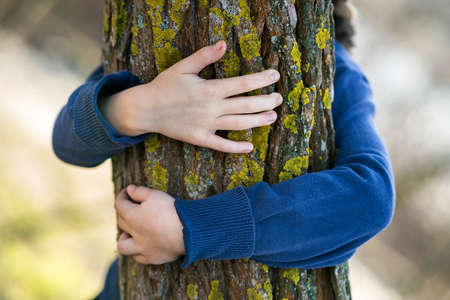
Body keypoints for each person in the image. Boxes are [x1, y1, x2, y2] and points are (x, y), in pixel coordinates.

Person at [52, 1, 395, 299]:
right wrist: (139, 109)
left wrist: (191, 229)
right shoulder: (164, 25)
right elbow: (66, 142)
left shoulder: (335, 69)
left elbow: (370, 198)